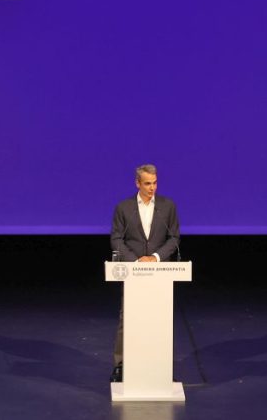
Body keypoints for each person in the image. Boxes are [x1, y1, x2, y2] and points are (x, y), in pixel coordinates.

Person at [109, 164, 180, 383]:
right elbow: (116, 239)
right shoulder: (124, 208)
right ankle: (121, 365)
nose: (152, 188)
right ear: (137, 183)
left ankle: (161, 365)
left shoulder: (167, 207)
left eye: (155, 183)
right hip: (133, 272)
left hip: (160, 272)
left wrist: (156, 257)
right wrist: (136, 260)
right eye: (148, 183)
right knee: (128, 318)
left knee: (160, 318)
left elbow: (174, 238)